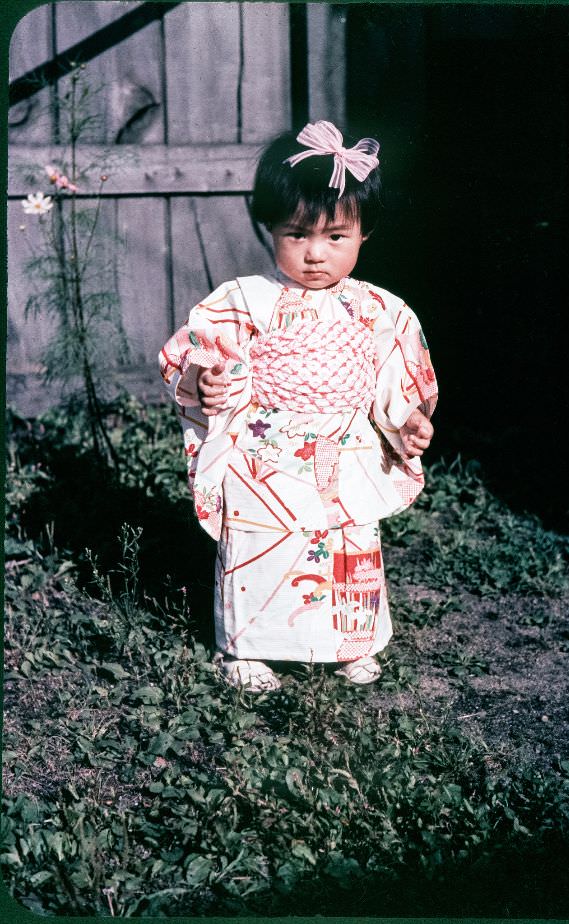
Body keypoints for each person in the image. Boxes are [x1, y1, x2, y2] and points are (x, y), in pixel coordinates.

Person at [159, 120, 437, 692]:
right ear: (270, 229)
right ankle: (246, 648)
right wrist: (210, 382)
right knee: (260, 541)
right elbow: (199, 351)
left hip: (346, 448)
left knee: (347, 536)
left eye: (335, 237)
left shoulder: (379, 310)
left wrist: (405, 419)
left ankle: (347, 642)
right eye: (296, 234)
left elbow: (393, 380)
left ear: (364, 234)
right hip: (267, 449)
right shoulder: (244, 300)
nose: (315, 254)